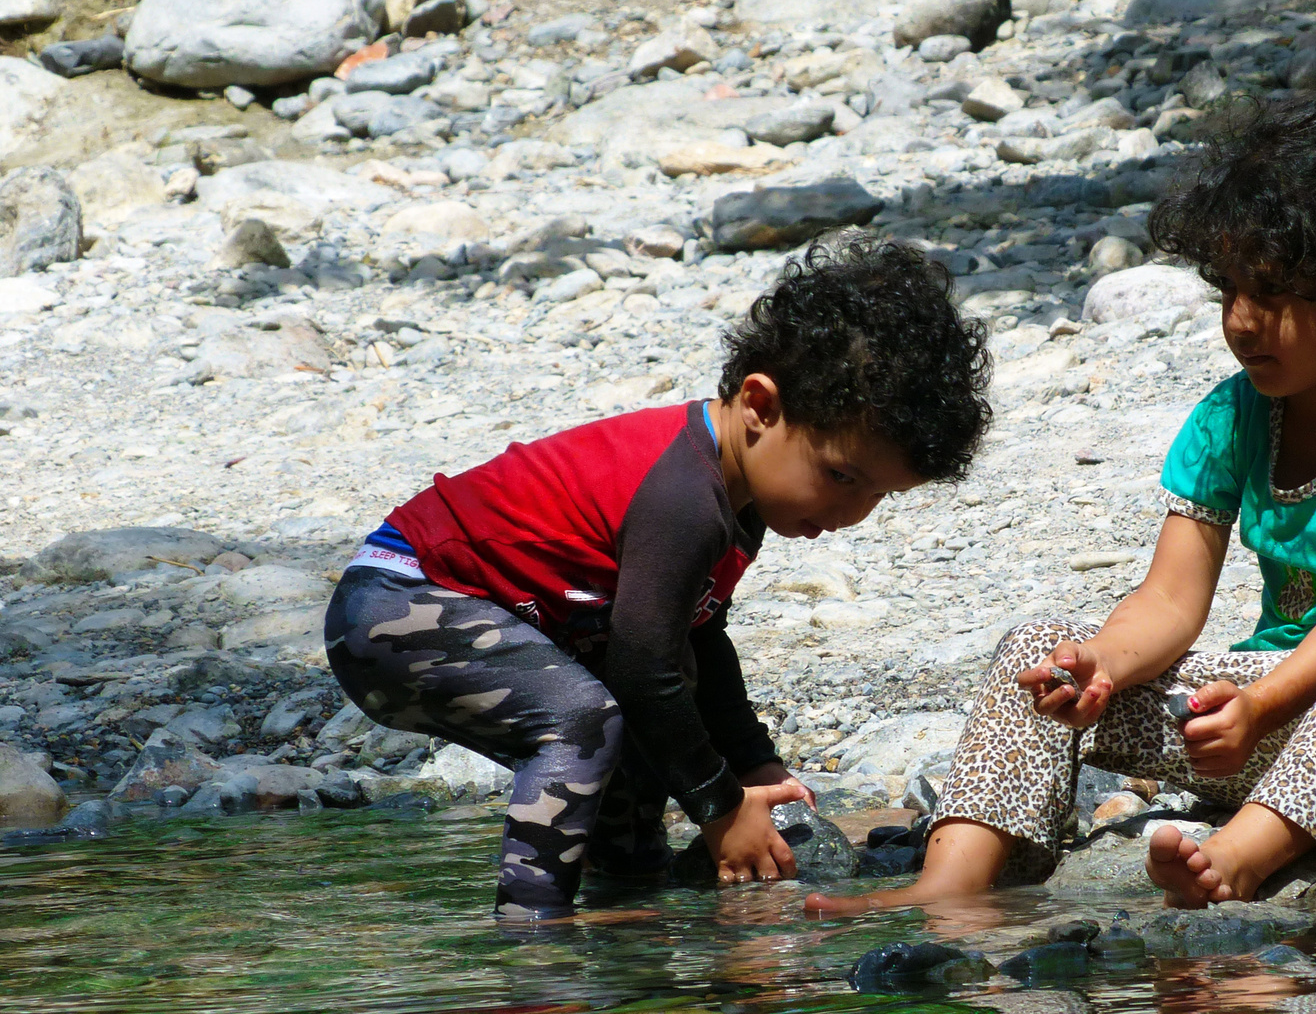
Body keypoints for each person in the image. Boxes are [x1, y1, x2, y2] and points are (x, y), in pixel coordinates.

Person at [806, 94, 1316, 913]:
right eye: (1231, 290)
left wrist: (1260, 705)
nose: (1244, 321)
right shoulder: (1232, 414)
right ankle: (951, 889)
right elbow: (1171, 600)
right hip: (1264, 712)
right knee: (1039, 649)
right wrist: (1098, 670)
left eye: (1277, 292)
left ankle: (1243, 855)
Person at [324, 236, 993, 921]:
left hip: (478, 614)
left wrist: (752, 763)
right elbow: (643, 665)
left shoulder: (740, 494)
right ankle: (531, 939)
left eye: (879, 495)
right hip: (396, 607)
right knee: (583, 718)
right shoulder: (683, 498)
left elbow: (697, 638)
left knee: (646, 726)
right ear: (760, 406)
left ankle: (632, 903)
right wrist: (721, 806)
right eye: (842, 477)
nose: (851, 513)